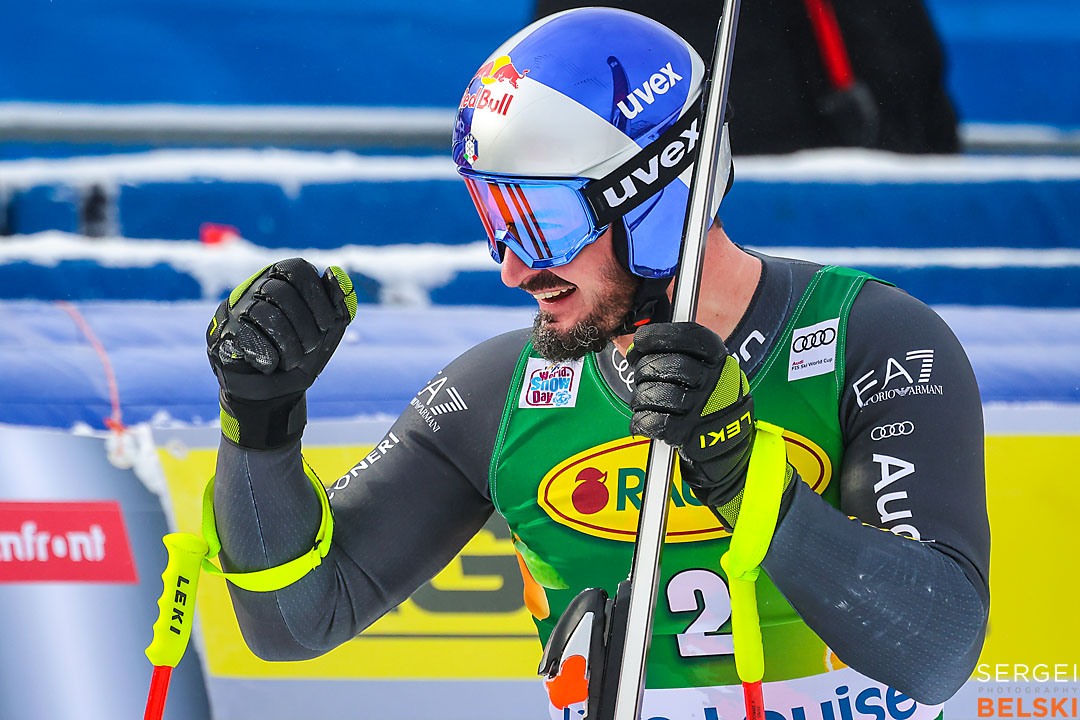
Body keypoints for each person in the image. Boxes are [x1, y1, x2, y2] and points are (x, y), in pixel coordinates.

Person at [206, 9, 988, 720]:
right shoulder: (499, 392)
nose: (514, 270)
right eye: (495, 218)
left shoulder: (874, 341)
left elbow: (938, 650)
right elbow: (292, 623)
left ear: (656, 199)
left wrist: (745, 475)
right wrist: (261, 422)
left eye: (537, 223)